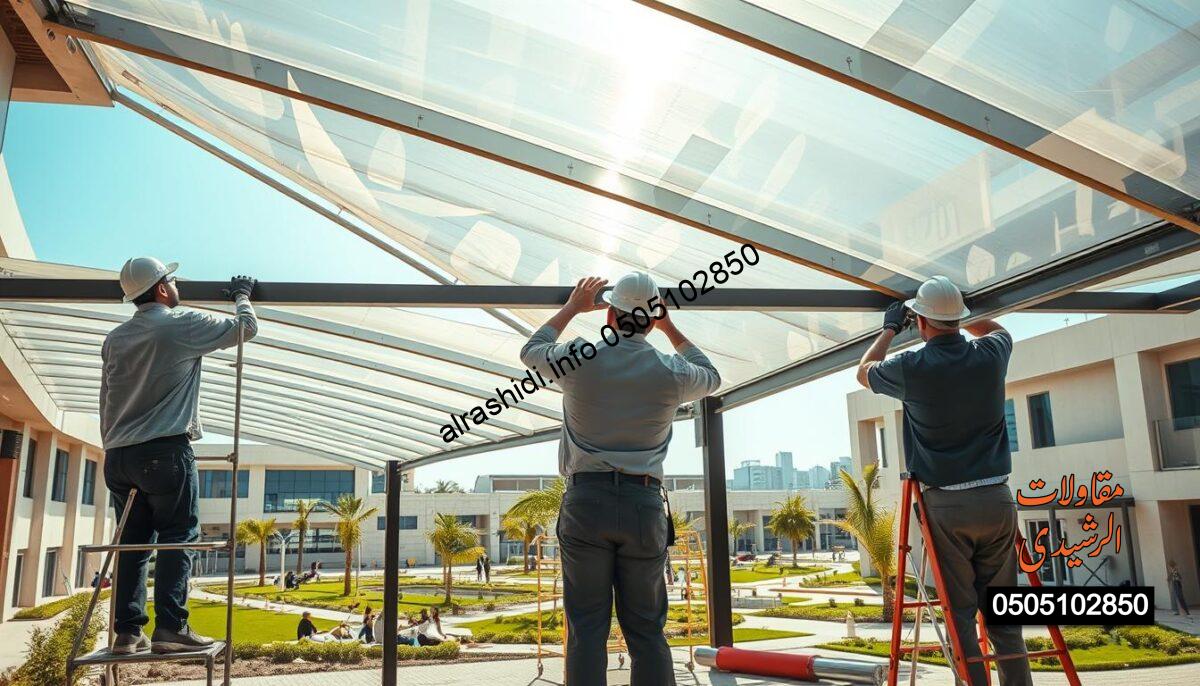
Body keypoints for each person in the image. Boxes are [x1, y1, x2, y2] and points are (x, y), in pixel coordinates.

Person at [520, 273, 720, 686]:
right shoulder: (672, 372)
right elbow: (711, 375)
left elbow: (532, 350)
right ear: (651, 319)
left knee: (587, 629)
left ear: (609, 314)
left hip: (586, 503)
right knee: (647, 629)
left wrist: (574, 307)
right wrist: (669, 326)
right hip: (643, 506)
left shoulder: (579, 359)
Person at [857, 275, 1030, 686]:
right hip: (997, 499)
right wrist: (962, 315)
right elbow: (1000, 330)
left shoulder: (912, 367)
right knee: (1004, 616)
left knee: (961, 615)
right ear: (958, 319)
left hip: (946, 506)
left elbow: (864, 372)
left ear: (919, 320)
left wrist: (888, 328)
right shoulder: (990, 354)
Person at [101, 257, 257, 655]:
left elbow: (106, 398)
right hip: (164, 450)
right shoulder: (179, 324)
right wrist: (241, 295)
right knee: (178, 535)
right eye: (172, 279)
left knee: (132, 544)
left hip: (118, 455)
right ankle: (171, 627)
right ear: (161, 289)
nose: (176, 284)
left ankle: (127, 632)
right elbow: (246, 328)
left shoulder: (115, 339)